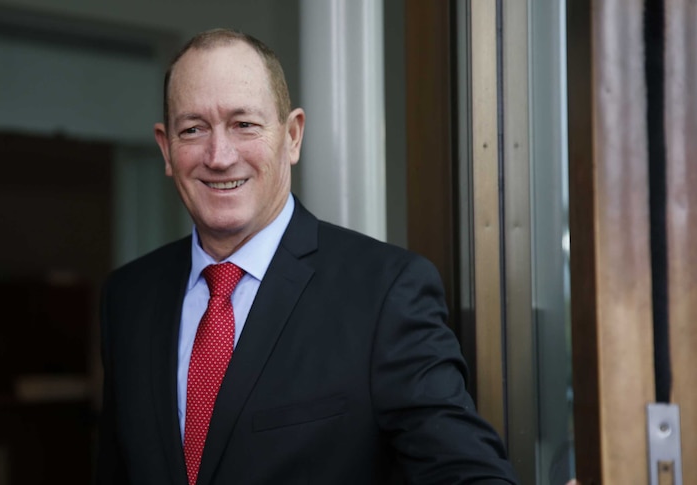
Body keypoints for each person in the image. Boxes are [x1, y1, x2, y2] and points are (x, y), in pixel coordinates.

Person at [96, 28, 518, 485]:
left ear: (292, 136)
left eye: (244, 124)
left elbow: (462, 471)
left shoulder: (384, 293)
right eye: (193, 129)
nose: (218, 156)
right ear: (166, 148)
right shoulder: (128, 297)